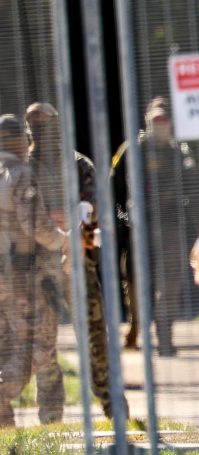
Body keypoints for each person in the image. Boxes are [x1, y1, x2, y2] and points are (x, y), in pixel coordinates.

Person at [25, 102, 123, 419]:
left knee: (94, 333)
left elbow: (94, 206)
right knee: (44, 343)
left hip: (77, 262)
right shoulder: (23, 167)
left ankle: (113, 407)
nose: (40, 129)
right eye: (33, 123)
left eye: (45, 123)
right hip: (39, 268)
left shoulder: (78, 164)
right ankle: (51, 417)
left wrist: (77, 230)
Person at [112, 96, 199, 356]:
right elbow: (114, 190)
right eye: (156, 120)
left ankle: (165, 338)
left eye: (164, 120)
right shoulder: (131, 151)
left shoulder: (179, 153)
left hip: (170, 225)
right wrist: (121, 222)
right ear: (147, 122)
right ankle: (135, 326)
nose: (160, 125)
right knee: (135, 282)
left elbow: (193, 192)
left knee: (170, 284)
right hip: (139, 228)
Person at [0, 114, 69, 426]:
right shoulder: (20, 175)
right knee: (39, 345)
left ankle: (4, 428)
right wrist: (64, 241)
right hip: (21, 275)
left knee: (5, 345)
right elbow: (36, 227)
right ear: (22, 142)